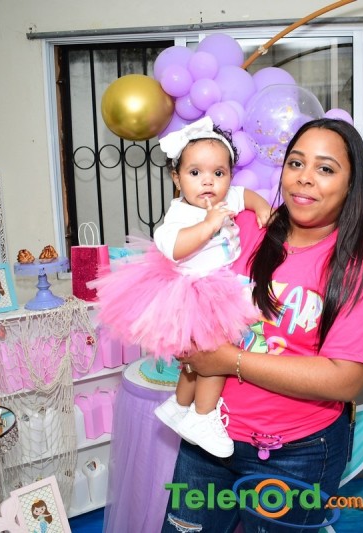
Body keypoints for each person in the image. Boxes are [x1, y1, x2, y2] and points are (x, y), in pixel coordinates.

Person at [160, 118, 363, 532]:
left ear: (351, 184)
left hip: (298, 454)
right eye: (296, 163)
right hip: (207, 436)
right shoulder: (241, 227)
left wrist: (228, 360)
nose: (304, 178)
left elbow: (344, 379)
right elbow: (178, 281)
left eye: (325, 169)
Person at [90, 116, 271, 459]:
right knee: (216, 354)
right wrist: (208, 225)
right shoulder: (180, 214)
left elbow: (245, 195)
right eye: (195, 172)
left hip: (216, 286)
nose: (208, 181)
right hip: (193, 292)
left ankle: (179, 404)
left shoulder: (225, 198)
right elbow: (174, 247)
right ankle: (203, 417)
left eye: (219, 173)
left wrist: (261, 206)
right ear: (177, 178)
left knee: (194, 359)